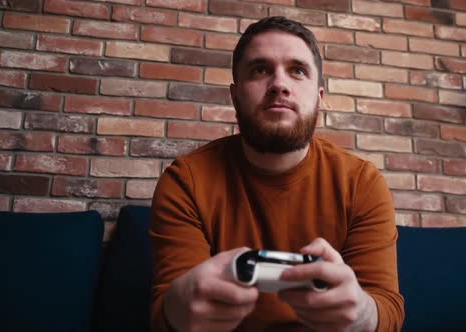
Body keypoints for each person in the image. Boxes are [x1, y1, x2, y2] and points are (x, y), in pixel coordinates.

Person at [150, 16, 404, 332]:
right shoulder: (185, 182)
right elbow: (163, 313)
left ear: (319, 98)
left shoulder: (363, 184)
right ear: (235, 96)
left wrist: (362, 315)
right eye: (260, 70)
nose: (279, 85)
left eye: (297, 70)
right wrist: (180, 307)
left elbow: (387, 308)